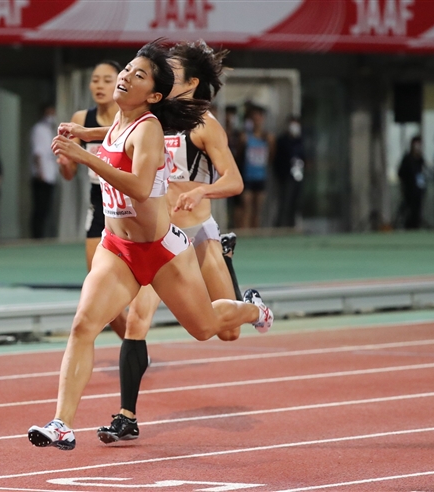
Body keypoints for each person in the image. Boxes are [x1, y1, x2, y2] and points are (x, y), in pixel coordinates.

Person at [27, 40, 273, 451]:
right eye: (128, 69)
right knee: (85, 325)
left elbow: (142, 187)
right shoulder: (128, 121)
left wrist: (85, 156)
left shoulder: (160, 126)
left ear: (160, 92)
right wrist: (87, 134)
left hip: (166, 248)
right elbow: (117, 136)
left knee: (209, 329)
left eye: (139, 75)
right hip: (117, 248)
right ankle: (63, 423)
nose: (124, 76)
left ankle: (252, 308)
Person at [93, 40, 247, 444]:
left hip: (198, 232)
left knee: (226, 333)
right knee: (137, 321)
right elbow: (117, 132)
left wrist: (201, 192)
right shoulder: (151, 118)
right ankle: (126, 415)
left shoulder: (204, 125)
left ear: (191, 82)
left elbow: (234, 181)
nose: (161, 70)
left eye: (171, 69)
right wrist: (86, 133)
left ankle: (233, 272)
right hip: (162, 237)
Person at [58, 60, 128, 339]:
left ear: (120, 83)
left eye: (107, 79)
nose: (99, 85)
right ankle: (133, 346)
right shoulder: (80, 119)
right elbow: (68, 172)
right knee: (95, 281)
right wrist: (64, 161)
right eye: (95, 79)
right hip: (99, 202)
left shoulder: (130, 119)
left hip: (129, 203)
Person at [237, 104, 273, 229]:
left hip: (260, 176)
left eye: (259, 117)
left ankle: (256, 231)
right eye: (254, 118)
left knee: (258, 208)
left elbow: (271, 155)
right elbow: (239, 155)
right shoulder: (245, 137)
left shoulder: (267, 138)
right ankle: (245, 232)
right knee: (246, 206)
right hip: (247, 176)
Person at [30, 103, 59, 239]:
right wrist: (40, 172)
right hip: (41, 175)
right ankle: (37, 236)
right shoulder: (39, 129)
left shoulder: (51, 130)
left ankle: (44, 235)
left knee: (47, 208)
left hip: (51, 174)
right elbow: (38, 153)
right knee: (39, 208)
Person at [273, 115, 305, 228]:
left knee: (296, 202)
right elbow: (277, 159)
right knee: (285, 202)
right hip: (286, 175)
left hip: (298, 175)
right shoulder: (283, 141)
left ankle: (292, 225)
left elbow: (303, 157)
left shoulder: (300, 140)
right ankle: (281, 226)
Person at [397, 135, 427, 230]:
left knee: (417, 211)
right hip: (409, 189)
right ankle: (408, 227)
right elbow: (401, 173)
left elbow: (423, 173)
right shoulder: (407, 159)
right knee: (409, 210)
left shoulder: (420, 159)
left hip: (418, 190)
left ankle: (416, 226)